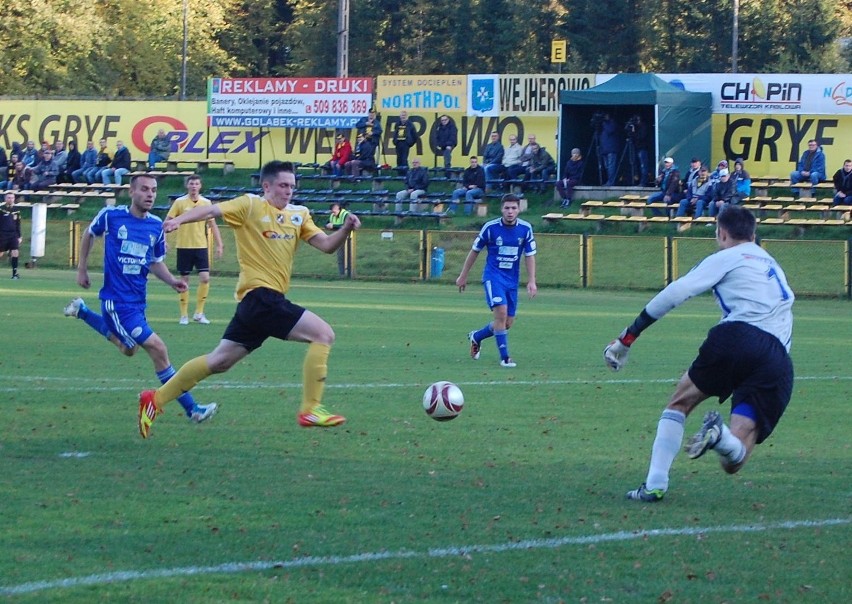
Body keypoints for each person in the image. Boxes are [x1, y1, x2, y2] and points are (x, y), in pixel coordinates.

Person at [136, 160, 362, 439]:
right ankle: (311, 408)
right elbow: (212, 210)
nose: (288, 191)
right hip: (260, 296)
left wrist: (345, 229)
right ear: (266, 186)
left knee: (219, 361)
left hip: (259, 303)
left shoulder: (299, 214)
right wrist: (179, 220)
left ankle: (154, 400)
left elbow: (327, 245)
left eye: (292, 185)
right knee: (323, 335)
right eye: (282, 185)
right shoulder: (250, 205)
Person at [604, 205, 794, 502]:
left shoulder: (727, 256)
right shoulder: (772, 264)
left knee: (679, 403)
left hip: (738, 337)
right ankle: (722, 439)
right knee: (735, 459)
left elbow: (676, 292)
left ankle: (655, 484)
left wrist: (627, 338)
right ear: (754, 234)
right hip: (777, 360)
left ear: (721, 233)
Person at [63, 174, 218, 430]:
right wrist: (82, 269)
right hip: (116, 302)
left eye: (154, 190)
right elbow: (89, 234)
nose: (150, 194)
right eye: (144, 189)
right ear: (132, 191)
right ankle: (192, 409)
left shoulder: (156, 225)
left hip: (137, 303)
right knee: (158, 348)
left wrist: (171, 282)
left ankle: (82, 312)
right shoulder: (111, 216)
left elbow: (155, 262)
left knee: (129, 349)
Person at [456, 194, 537, 368]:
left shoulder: (525, 229)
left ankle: (477, 336)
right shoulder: (490, 228)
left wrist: (531, 281)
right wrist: (463, 275)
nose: (510, 211)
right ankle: (505, 358)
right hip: (493, 277)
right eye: (507, 208)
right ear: (501, 209)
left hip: (512, 281)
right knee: (500, 313)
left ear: (519, 209)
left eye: (513, 208)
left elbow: (529, 255)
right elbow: (474, 251)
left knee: (506, 323)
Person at [167, 174, 224, 325]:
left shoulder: (206, 203)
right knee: (184, 280)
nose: (193, 186)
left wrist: (219, 244)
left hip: (201, 246)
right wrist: (164, 240)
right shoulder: (179, 202)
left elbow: (212, 225)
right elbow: (168, 221)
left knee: (205, 277)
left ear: (200, 186)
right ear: (187, 186)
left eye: (196, 184)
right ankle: (184, 315)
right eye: (191, 183)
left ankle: (199, 313)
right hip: (184, 246)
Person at [325, 202, 351, 276]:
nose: (333, 213)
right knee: (340, 256)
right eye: (332, 212)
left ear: (338, 209)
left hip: (348, 238)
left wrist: (333, 226)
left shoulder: (346, 214)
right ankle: (342, 274)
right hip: (338, 238)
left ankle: (349, 274)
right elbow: (326, 223)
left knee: (348, 256)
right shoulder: (332, 215)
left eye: (334, 211)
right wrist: (328, 225)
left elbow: (346, 226)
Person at [0, 192, 22, 279]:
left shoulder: (17, 210)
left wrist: (19, 235)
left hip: (13, 234)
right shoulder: (1, 209)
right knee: (1, 252)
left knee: (15, 251)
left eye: (12, 198)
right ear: (5, 199)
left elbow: (18, 223)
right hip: (2, 234)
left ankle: (15, 273)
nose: (10, 199)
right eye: (8, 198)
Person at [600, 113, 620, 186]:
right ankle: (609, 181)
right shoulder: (602, 125)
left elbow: (610, 130)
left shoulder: (612, 123)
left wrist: (604, 123)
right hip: (604, 149)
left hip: (612, 149)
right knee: (607, 167)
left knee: (611, 167)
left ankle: (611, 182)